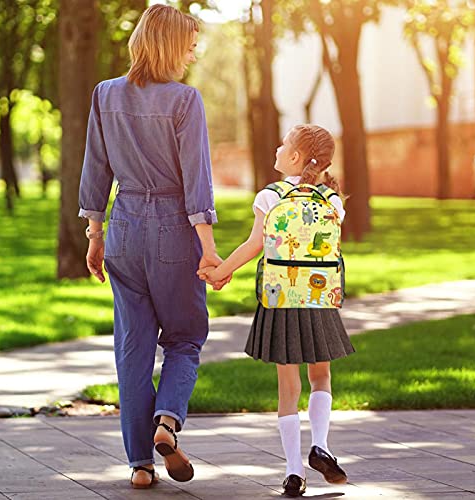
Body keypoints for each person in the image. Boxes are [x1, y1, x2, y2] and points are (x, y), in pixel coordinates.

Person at [78, 4, 229, 489]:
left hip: (122, 227)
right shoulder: (185, 100)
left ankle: (140, 464)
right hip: (173, 230)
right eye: (187, 45)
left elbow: (95, 170)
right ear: (167, 46)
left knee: (133, 348)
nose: (191, 54)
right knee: (185, 338)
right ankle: (167, 421)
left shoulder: (105, 95)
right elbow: (196, 182)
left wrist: (95, 235)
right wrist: (208, 249)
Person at [198, 124, 355, 497]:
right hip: (319, 301)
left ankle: (293, 471)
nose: (277, 147)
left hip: (279, 298)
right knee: (321, 378)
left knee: (288, 387)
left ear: (296, 158)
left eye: (283, 144)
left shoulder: (270, 197)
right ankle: (322, 445)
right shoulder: (332, 201)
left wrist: (220, 272)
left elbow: (255, 244)